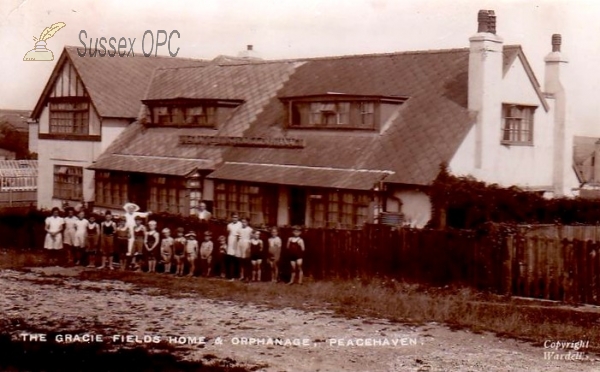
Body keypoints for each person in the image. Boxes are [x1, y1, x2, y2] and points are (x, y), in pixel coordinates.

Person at [226, 214, 242, 280]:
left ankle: (238, 275)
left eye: (236, 217)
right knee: (231, 258)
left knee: (237, 259)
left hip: (238, 241)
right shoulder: (229, 225)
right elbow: (228, 233)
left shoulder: (240, 224)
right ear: (231, 218)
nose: (235, 218)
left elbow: (241, 233)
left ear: (238, 218)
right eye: (233, 217)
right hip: (231, 241)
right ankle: (231, 275)